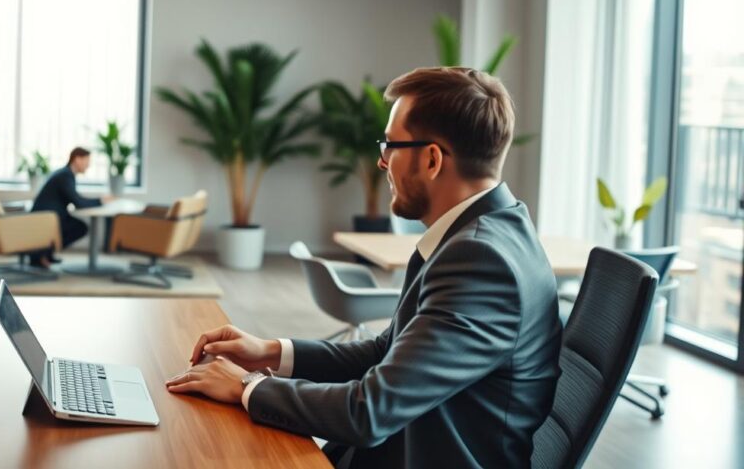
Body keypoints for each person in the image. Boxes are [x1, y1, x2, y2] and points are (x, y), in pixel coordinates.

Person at [166, 67, 563, 469]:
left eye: (391, 145)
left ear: (431, 159)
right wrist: (269, 352)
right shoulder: (482, 234)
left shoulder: (480, 261)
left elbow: (369, 412)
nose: (381, 161)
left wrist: (246, 386)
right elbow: (385, 351)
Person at [28, 147, 113, 267]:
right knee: (79, 228)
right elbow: (79, 202)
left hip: (49, 217)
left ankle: (45, 254)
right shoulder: (65, 175)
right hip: (45, 219)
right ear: (77, 159)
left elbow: (76, 199)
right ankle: (40, 254)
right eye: (87, 161)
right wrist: (101, 200)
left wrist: (98, 201)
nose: (88, 165)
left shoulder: (65, 173)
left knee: (77, 226)